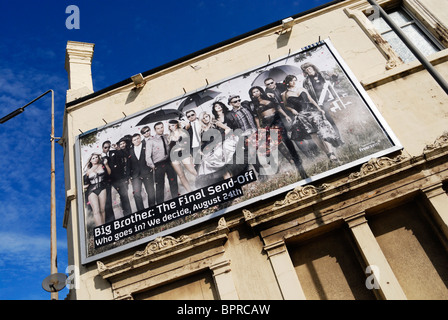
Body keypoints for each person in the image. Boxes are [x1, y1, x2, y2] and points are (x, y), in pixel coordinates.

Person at [249, 86, 308, 179]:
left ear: (260, 91)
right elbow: (256, 117)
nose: (256, 93)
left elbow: (278, 107)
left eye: (257, 91)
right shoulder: (253, 104)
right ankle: (291, 160)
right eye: (253, 92)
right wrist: (259, 127)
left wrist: (285, 116)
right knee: (278, 143)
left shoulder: (268, 97)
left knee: (286, 139)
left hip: (277, 120)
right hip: (267, 123)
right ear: (252, 95)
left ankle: (296, 159)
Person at [282, 74, 342, 163]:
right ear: (287, 82)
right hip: (302, 115)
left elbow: (311, 100)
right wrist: (292, 109)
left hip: (313, 112)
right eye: (291, 80)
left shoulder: (302, 89)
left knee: (322, 131)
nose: (294, 82)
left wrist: (319, 109)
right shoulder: (284, 94)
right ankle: (328, 154)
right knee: (314, 135)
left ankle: (331, 152)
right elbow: (286, 106)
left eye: (295, 80)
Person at [301, 62, 342, 140]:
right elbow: (307, 95)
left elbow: (335, 80)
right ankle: (338, 137)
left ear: (313, 67)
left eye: (309, 68)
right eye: (306, 70)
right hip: (321, 103)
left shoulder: (323, 74)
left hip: (332, 98)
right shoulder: (306, 81)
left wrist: (335, 75)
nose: (308, 70)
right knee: (330, 121)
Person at [146, 122, 179, 204]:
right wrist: (153, 166)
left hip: (168, 162)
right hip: (158, 165)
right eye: (158, 128)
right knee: (160, 185)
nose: (161, 129)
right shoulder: (151, 141)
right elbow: (147, 156)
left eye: (162, 127)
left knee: (173, 181)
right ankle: (160, 204)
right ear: (155, 130)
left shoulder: (167, 137)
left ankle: (176, 200)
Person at [168, 119, 197, 193]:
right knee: (181, 175)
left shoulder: (183, 131)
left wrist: (179, 121)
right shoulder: (169, 136)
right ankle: (190, 191)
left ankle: (205, 182)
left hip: (184, 153)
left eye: (172, 125)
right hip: (174, 157)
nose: (171, 127)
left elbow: (188, 125)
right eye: (170, 126)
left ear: (176, 124)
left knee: (192, 170)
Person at [129, 133, 156, 211]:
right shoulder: (130, 151)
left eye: (138, 138)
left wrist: (152, 167)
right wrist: (130, 176)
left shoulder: (146, 146)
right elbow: (129, 164)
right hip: (135, 176)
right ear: (132, 142)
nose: (136, 141)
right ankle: (141, 211)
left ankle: (152, 210)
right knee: (137, 194)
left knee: (150, 192)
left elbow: (152, 156)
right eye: (134, 140)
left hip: (147, 172)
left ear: (140, 138)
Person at [83, 153, 111, 227]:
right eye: (93, 158)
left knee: (102, 210)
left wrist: (106, 165)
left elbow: (109, 173)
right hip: (92, 190)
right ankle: (100, 228)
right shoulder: (88, 171)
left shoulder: (102, 165)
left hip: (102, 187)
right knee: (96, 210)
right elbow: (86, 183)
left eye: (96, 157)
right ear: (90, 161)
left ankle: (104, 227)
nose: (95, 159)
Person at [107, 138, 132, 217]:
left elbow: (124, 156)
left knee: (124, 195)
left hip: (124, 177)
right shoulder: (107, 155)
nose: (107, 148)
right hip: (115, 179)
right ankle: (126, 212)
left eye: (109, 146)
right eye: (105, 147)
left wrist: (117, 148)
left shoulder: (118, 152)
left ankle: (127, 213)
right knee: (123, 196)